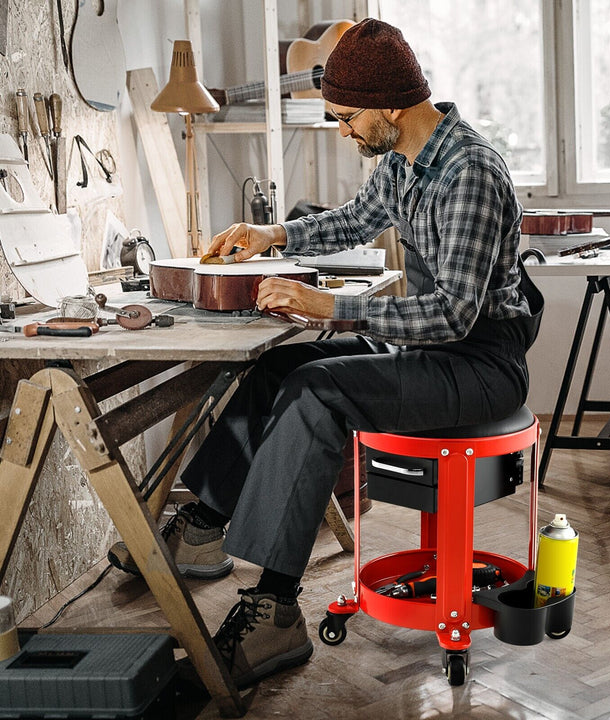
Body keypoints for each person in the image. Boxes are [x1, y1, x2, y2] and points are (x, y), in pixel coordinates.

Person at [109, 17, 542, 688]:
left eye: (345, 118)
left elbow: (455, 315)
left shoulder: (470, 172)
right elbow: (353, 219)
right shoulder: (406, 160)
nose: (341, 130)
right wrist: (271, 232)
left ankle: (275, 608)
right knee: (283, 366)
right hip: (434, 351)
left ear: (390, 104)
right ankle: (201, 526)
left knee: (318, 392)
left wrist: (331, 308)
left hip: (481, 366)